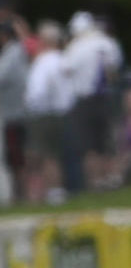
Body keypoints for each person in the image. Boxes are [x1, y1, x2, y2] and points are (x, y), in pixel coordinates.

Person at [62, 11, 122, 191]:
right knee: (108, 141)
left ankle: (96, 182)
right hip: (106, 96)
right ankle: (113, 177)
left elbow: (66, 69)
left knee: (89, 146)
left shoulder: (77, 46)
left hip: (85, 99)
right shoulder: (108, 43)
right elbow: (115, 69)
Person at [23, 19, 73, 203]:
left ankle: (51, 192)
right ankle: (56, 190)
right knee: (56, 154)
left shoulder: (43, 62)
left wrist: (31, 106)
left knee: (45, 155)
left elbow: (38, 91)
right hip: (62, 111)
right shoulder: (64, 60)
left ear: (44, 41)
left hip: (44, 113)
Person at [0, 14, 28, 203]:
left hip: (13, 113)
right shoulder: (14, 52)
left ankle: (20, 194)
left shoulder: (13, 53)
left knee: (16, 156)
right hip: (13, 112)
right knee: (15, 156)